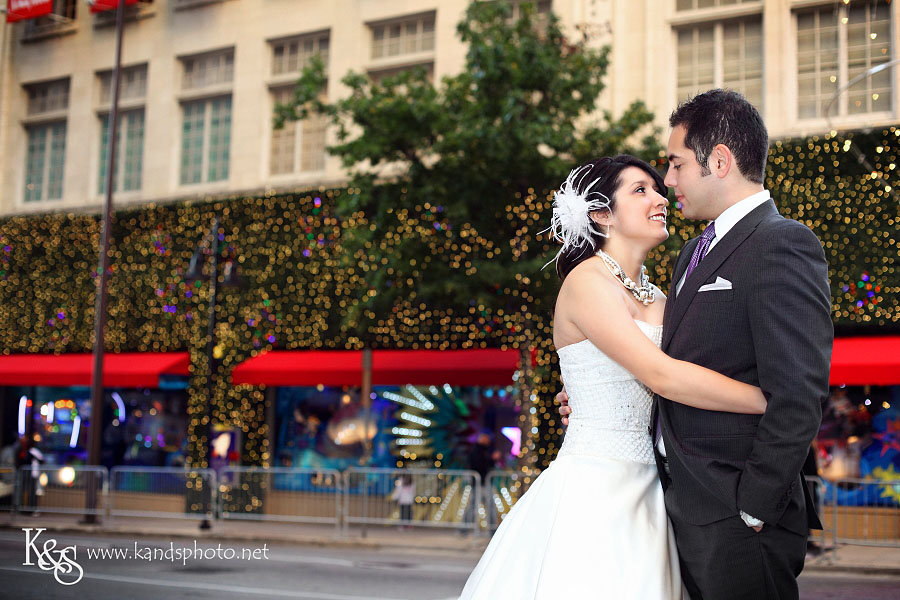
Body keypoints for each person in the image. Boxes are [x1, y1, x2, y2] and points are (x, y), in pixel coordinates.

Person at [558, 90, 833, 600]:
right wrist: (593, 391)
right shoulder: (689, 255)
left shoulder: (782, 242)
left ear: (720, 161)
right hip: (674, 503)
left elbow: (800, 389)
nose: (668, 182)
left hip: (736, 511)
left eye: (676, 164)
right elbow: (663, 366)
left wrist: (754, 504)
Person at [459, 154, 769, 599]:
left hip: (654, 488)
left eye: (658, 189)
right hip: (594, 486)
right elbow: (661, 375)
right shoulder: (586, 282)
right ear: (601, 214)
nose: (660, 196)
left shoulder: (662, 295)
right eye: (640, 190)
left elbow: (694, 369)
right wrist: (768, 400)